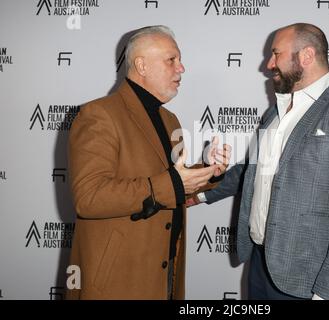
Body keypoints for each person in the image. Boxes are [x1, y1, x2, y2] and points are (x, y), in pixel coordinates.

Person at [191, 23, 329, 300]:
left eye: (276, 54)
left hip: (309, 277)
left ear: (306, 56)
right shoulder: (276, 111)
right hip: (260, 263)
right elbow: (252, 171)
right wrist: (199, 194)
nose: (269, 64)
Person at [66, 25, 230, 300]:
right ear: (141, 65)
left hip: (164, 272)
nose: (182, 68)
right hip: (118, 280)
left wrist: (208, 170)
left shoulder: (169, 120)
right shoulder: (98, 115)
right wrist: (174, 183)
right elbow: (88, 197)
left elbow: (170, 185)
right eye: (172, 60)